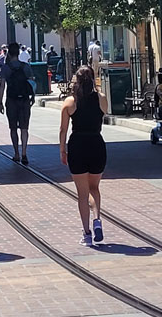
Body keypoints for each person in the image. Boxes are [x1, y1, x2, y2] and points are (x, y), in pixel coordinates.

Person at [58, 65, 108, 246]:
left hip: (78, 145)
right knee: (94, 187)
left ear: (76, 81)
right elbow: (104, 114)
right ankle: (97, 219)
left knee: (82, 193)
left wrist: (62, 150)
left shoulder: (70, 102)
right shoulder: (101, 99)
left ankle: (87, 233)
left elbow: (63, 129)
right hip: (96, 143)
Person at [0, 42, 35, 164]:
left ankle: (16, 153)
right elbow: (31, 83)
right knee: (24, 128)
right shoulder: (26, 67)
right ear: (18, 53)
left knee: (13, 128)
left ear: (9, 53)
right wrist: (32, 96)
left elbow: (2, 85)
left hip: (11, 100)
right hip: (24, 100)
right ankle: (24, 152)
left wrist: (0, 101)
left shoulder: (6, 68)